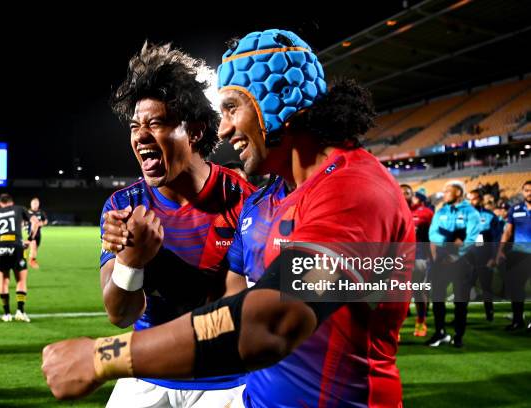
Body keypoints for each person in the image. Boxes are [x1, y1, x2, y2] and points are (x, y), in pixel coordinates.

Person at [42, 29, 415, 407]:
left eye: (232, 108)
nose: (224, 129)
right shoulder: (268, 203)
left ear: (278, 100)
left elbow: (269, 322)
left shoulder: (353, 191)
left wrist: (103, 357)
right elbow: (234, 307)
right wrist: (131, 263)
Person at [99, 42, 255, 407]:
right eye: (136, 125)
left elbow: (239, 316)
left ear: (196, 131)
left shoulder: (244, 202)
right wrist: (129, 263)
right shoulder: (123, 206)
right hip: (145, 377)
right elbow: (119, 315)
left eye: (155, 123)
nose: (140, 136)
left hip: (222, 383)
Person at [426, 181, 481, 348]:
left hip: (462, 260)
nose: (444, 194)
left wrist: (457, 253)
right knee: (437, 297)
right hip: (441, 259)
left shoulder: (471, 212)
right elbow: (433, 233)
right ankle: (440, 332)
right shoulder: (441, 211)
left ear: (458, 192)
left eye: (448, 191)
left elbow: (471, 237)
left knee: (460, 300)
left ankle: (458, 335)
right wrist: (446, 245)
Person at [0, 193, 38, 322]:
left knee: (4, 281)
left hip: (1, 247)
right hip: (17, 245)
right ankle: (20, 312)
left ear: (0, 203)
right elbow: (35, 222)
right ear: (11, 202)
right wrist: (30, 239)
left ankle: (6, 314)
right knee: (21, 280)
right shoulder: (19, 209)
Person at [496, 181, 531, 331]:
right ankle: (517, 320)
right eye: (527, 190)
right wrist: (500, 250)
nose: (529, 193)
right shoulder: (515, 209)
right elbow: (508, 231)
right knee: (516, 287)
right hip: (519, 254)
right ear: (523, 192)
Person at [401, 184, 434, 336]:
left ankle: (421, 321)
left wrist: (431, 256)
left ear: (412, 195)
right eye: (400, 192)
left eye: (406, 192)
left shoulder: (425, 213)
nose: (403, 195)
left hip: (418, 257)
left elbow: (431, 236)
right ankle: (396, 328)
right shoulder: (391, 210)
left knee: (418, 291)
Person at [467, 189, 500, 321]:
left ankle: (489, 313)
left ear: (480, 200)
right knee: (463, 287)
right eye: (468, 199)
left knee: (486, 286)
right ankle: (461, 315)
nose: (471, 202)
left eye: (474, 199)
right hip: (467, 257)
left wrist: (493, 257)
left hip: (484, 256)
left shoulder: (490, 216)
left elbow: (496, 239)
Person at [27, 197, 48, 269]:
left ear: (38, 204)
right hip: (31, 232)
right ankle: (32, 261)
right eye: (34, 203)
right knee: (33, 246)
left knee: (35, 249)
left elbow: (45, 221)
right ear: (31, 204)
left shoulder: (41, 212)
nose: (35, 205)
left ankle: (31, 259)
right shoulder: (28, 212)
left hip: (38, 233)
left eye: (37, 203)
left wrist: (41, 223)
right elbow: (22, 221)